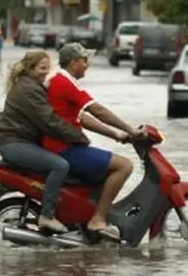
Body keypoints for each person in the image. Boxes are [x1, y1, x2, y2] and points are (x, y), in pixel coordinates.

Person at [43, 43, 144, 241]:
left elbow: (82, 118)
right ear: (73, 63)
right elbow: (97, 111)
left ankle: (87, 216)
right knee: (124, 165)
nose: (87, 65)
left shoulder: (59, 80)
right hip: (64, 148)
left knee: (106, 165)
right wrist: (131, 130)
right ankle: (97, 220)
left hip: (61, 145)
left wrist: (116, 135)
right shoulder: (65, 82)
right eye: (84, 60)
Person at [0, 51, 89, 234]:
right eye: (42, 68)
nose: (46, 72)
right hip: (14, 144)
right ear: (31, 69)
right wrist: (79, 137)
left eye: (48, 68)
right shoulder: (30, 89)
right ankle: (47, 216)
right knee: (60, 166)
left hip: (18, 142)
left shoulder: (31, 86)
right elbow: (49, 120)